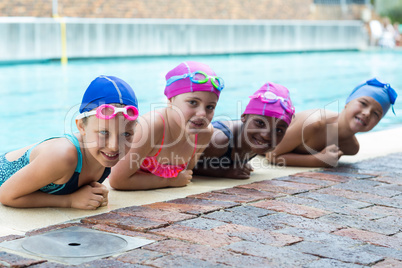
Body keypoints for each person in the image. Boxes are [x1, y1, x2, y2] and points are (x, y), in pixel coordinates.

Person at [0, 75, 139, 209]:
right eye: (104, 133)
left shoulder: (102, 155)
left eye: (126, 134)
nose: (114, 146)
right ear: (81, 126)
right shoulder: (63, 155)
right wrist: (69, 201)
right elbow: (6, 195)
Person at [109, 61, 223, 190]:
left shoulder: (204, 133)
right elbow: (117, 180)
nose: (202, 113)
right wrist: (169, 181)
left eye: (210, 107)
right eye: (193, 102)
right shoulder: (150, 127)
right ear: (170, 100)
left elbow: (186, 175)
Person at [266, 78, 398, 168]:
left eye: (376, 114)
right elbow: (271, 154)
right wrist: (317, 160)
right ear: (347, 103)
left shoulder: (351, 147)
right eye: (363, 103)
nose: (367, 113)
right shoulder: (314, 123)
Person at [193, 82, 295, 179]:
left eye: (278, 130)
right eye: (260, 123)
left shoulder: (256, 142)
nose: (266, 135)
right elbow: (182, 165)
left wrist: (237, 163)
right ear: (244, 117)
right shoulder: (219, 141)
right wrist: (223, 171)